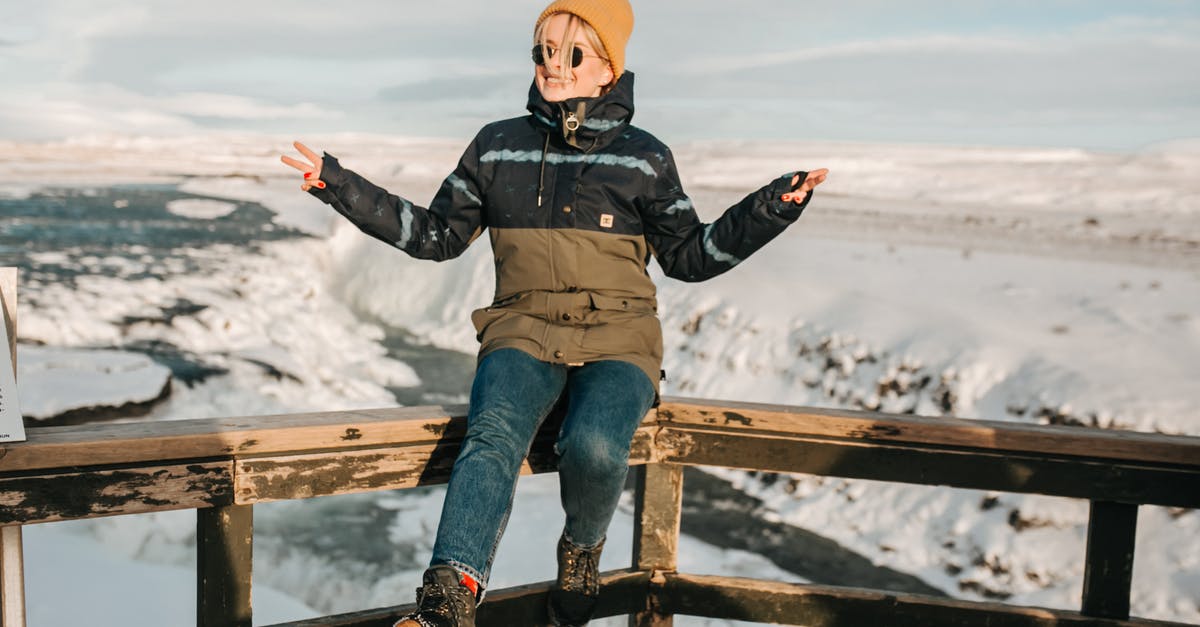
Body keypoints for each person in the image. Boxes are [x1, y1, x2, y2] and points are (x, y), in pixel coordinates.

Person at [282, 1, 828, 624]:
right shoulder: (496, 147)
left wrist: (770, 208)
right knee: (490, 438)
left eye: (572, 53)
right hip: (522, 325)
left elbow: (687, 256)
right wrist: (341, 186)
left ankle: (582, 550)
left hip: (620, 335)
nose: (554, 66)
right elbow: (436, 236)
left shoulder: (645, 158)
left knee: (594, 446)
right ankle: (446, 600)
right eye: (543, 50)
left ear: (608, 69)